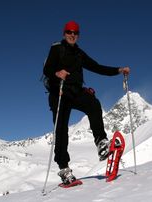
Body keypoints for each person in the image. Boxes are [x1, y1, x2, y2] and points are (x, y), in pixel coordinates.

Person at [43, 20, 130, 185]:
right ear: (64, 33)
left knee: (93, 104)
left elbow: (97, 67)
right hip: (59, 93)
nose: (72, 35)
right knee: (61, 131)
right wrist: (57, 72)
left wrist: (118, 70)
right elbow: (46, 69)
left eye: (75, 32)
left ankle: (101, 143)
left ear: (78, 35)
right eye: (69, 32)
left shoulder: (79, 54)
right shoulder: (56, 49)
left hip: (75, 92)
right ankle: (64, 170)